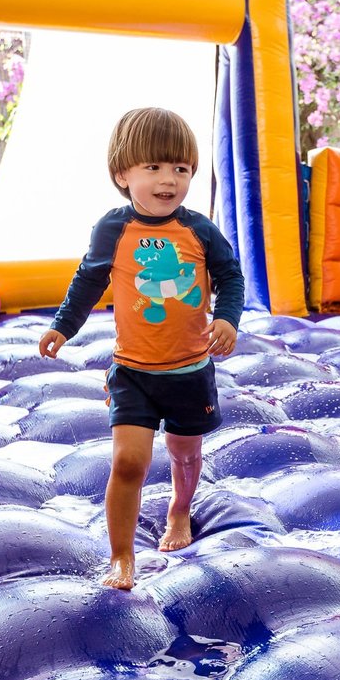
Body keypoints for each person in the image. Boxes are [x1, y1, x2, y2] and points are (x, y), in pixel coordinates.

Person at [38, 107, 244, 589]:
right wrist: (62, 327)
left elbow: (231, 277)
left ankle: (179, 509)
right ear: (122, 174)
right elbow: (87, 281)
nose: (168, 180)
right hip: (133, 371)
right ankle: (121, 556)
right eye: (153, 167)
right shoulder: (113, 229)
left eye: (181, 169)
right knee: (129, 461)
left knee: (185, 455)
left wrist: (228, 320)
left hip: (191, 371)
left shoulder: (199, 230)